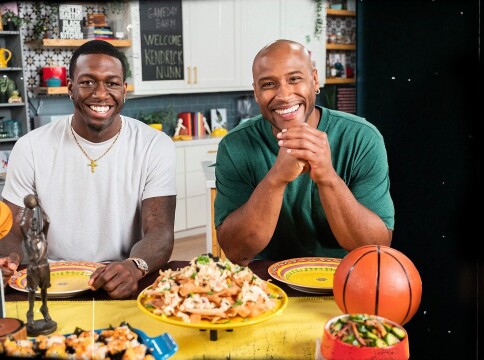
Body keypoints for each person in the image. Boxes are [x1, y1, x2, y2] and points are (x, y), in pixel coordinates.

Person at [0, 40, 177, 299]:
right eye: (87, 82)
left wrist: (134, 267)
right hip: (53, 280)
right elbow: (11, 228)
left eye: (112, 83)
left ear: (124, 90)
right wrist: (6, 259)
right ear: (70, 89)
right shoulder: (31, 146)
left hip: (122, 276)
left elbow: (160, 231)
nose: (101, 93)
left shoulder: (154, 145)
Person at [214, 39, 394, 266]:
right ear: (256, 93)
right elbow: (236, 251)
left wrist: (327, 176)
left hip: (346, 281)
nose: (284, 95)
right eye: (268, 84)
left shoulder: (362, 137)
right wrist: (276, 178)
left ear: (315, 80)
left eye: (294, 79)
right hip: (265, 285)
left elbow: (376, 249)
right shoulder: (234, 145)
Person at [22, 195, 56, 336]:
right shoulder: (28, 238)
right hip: (33, 268)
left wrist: (40, 207)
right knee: (31, 291)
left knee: (44, 290)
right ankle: (30, 313)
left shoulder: (43, 236)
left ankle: (45, 309)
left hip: (44, 266)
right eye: (33, 224)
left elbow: (47, 221)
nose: (35, 225)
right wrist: (27, 210)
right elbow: (21, 224)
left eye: (37, 224)